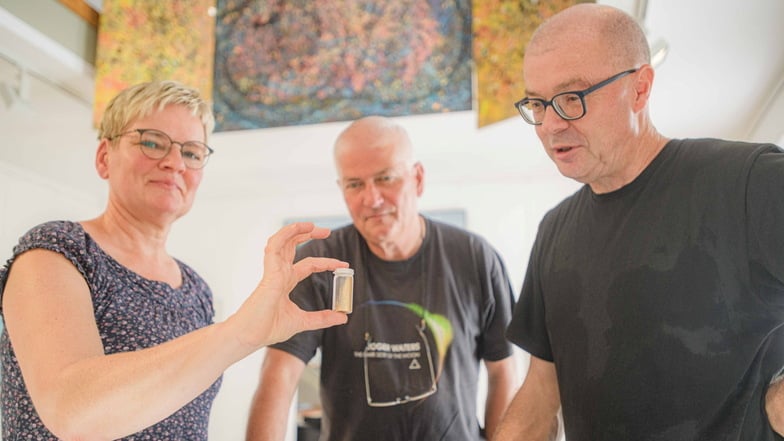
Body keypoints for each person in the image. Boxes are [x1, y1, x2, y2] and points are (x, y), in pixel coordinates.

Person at [494, 3, 784, 441]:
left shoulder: (750, 182)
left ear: (640, 88)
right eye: (537, 103)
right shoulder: (554, 231)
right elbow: (540, 393)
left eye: (572, 97)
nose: (551, 124)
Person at [0, 80, 349, 440]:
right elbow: (72, 411)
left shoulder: (195, 289)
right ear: (105, 158)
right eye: (151, 142)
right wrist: (241, 331)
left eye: (192, 152)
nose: (174, 163)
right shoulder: (58, 251)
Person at [245, 115, 519, 441]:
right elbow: (279, 374)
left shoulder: (474, 257)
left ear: (417, 178)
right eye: (355, 184)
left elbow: (502, 371)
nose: (371, 199)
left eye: (385, 178)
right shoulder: (320, 264)